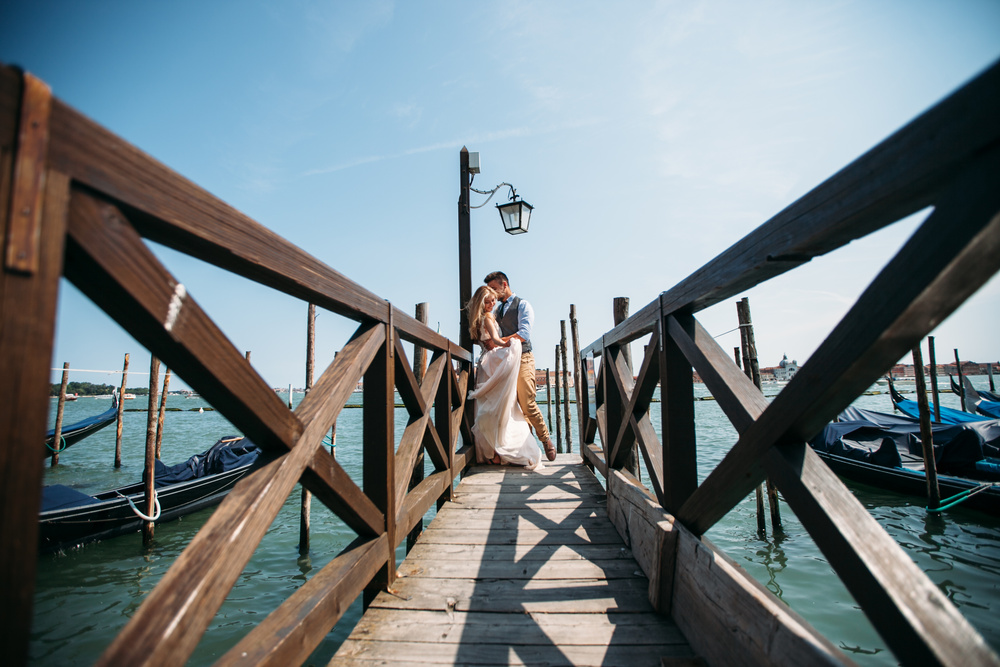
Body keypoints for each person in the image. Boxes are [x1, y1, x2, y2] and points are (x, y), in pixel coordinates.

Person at [466, 285, 544, 470]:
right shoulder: (487, 318)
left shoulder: (479, 319)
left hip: (486, 363)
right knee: (499, 407)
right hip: (491, 363)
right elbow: (496, 339)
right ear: (480, 303)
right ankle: (498, 451)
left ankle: (493, 452)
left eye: (493, 300)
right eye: (487, 301)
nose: (492, 304)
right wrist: (513, 342)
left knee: (493, 407)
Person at [483, 271, 557, 461]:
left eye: (494, 288)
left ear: (504, 284)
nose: (492, 292)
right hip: (504, 361)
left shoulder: (523, 305)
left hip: (523, 356)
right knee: (510, 405)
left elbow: (524, 333)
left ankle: (546, 439)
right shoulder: (495, 311)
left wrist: (498, 340)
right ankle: (527, 450)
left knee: (527, 401)